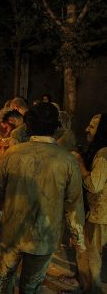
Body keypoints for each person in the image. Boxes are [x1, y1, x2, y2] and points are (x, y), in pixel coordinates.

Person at [0, 102, 86, 293]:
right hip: (44, 238)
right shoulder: (68, 161)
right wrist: (78, 239)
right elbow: (74, 206)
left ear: (28, 127)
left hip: (11, 234)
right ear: (56, 128)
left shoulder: (12, 154)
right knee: (30, 287)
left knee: (1, 281)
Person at [73, 113, 107, 293]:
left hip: (99, 214)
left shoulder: (103, 154)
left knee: (91, 255)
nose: (87, 129)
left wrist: (79, 163)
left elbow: (94, 184)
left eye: (92, 127)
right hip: (99, 212)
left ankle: (92, 290)